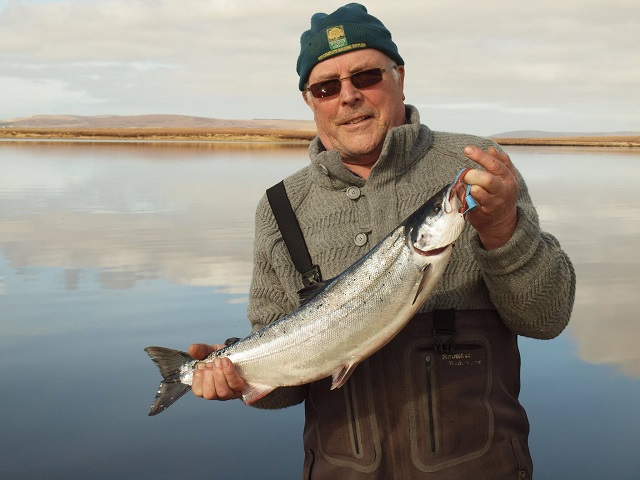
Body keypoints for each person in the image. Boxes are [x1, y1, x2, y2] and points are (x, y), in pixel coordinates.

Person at [188, 3, 576, 479]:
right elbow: (285, 392)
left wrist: (503, 232)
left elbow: (547, 317)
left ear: (400, 77)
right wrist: (234, 375)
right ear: (310, 101)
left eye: (366, 76)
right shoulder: (280, 208)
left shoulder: (477, 166)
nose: (347, 96)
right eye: (326, 87)